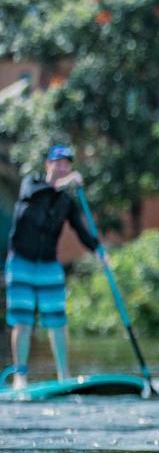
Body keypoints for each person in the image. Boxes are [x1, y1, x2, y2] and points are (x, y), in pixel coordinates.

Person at [5, 144, 98, 389]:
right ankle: (20, 376)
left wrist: (98, 250)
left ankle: (63, 375)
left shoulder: (66, 202)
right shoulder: (32, 183)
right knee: (23, 322)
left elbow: (80, 230)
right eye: (58, 162)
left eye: (67, 163)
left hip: (48, 265)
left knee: (57, 322)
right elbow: (35, 195)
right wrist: (66, 182)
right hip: (21, 262)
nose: (63, 167)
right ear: (48, 165)